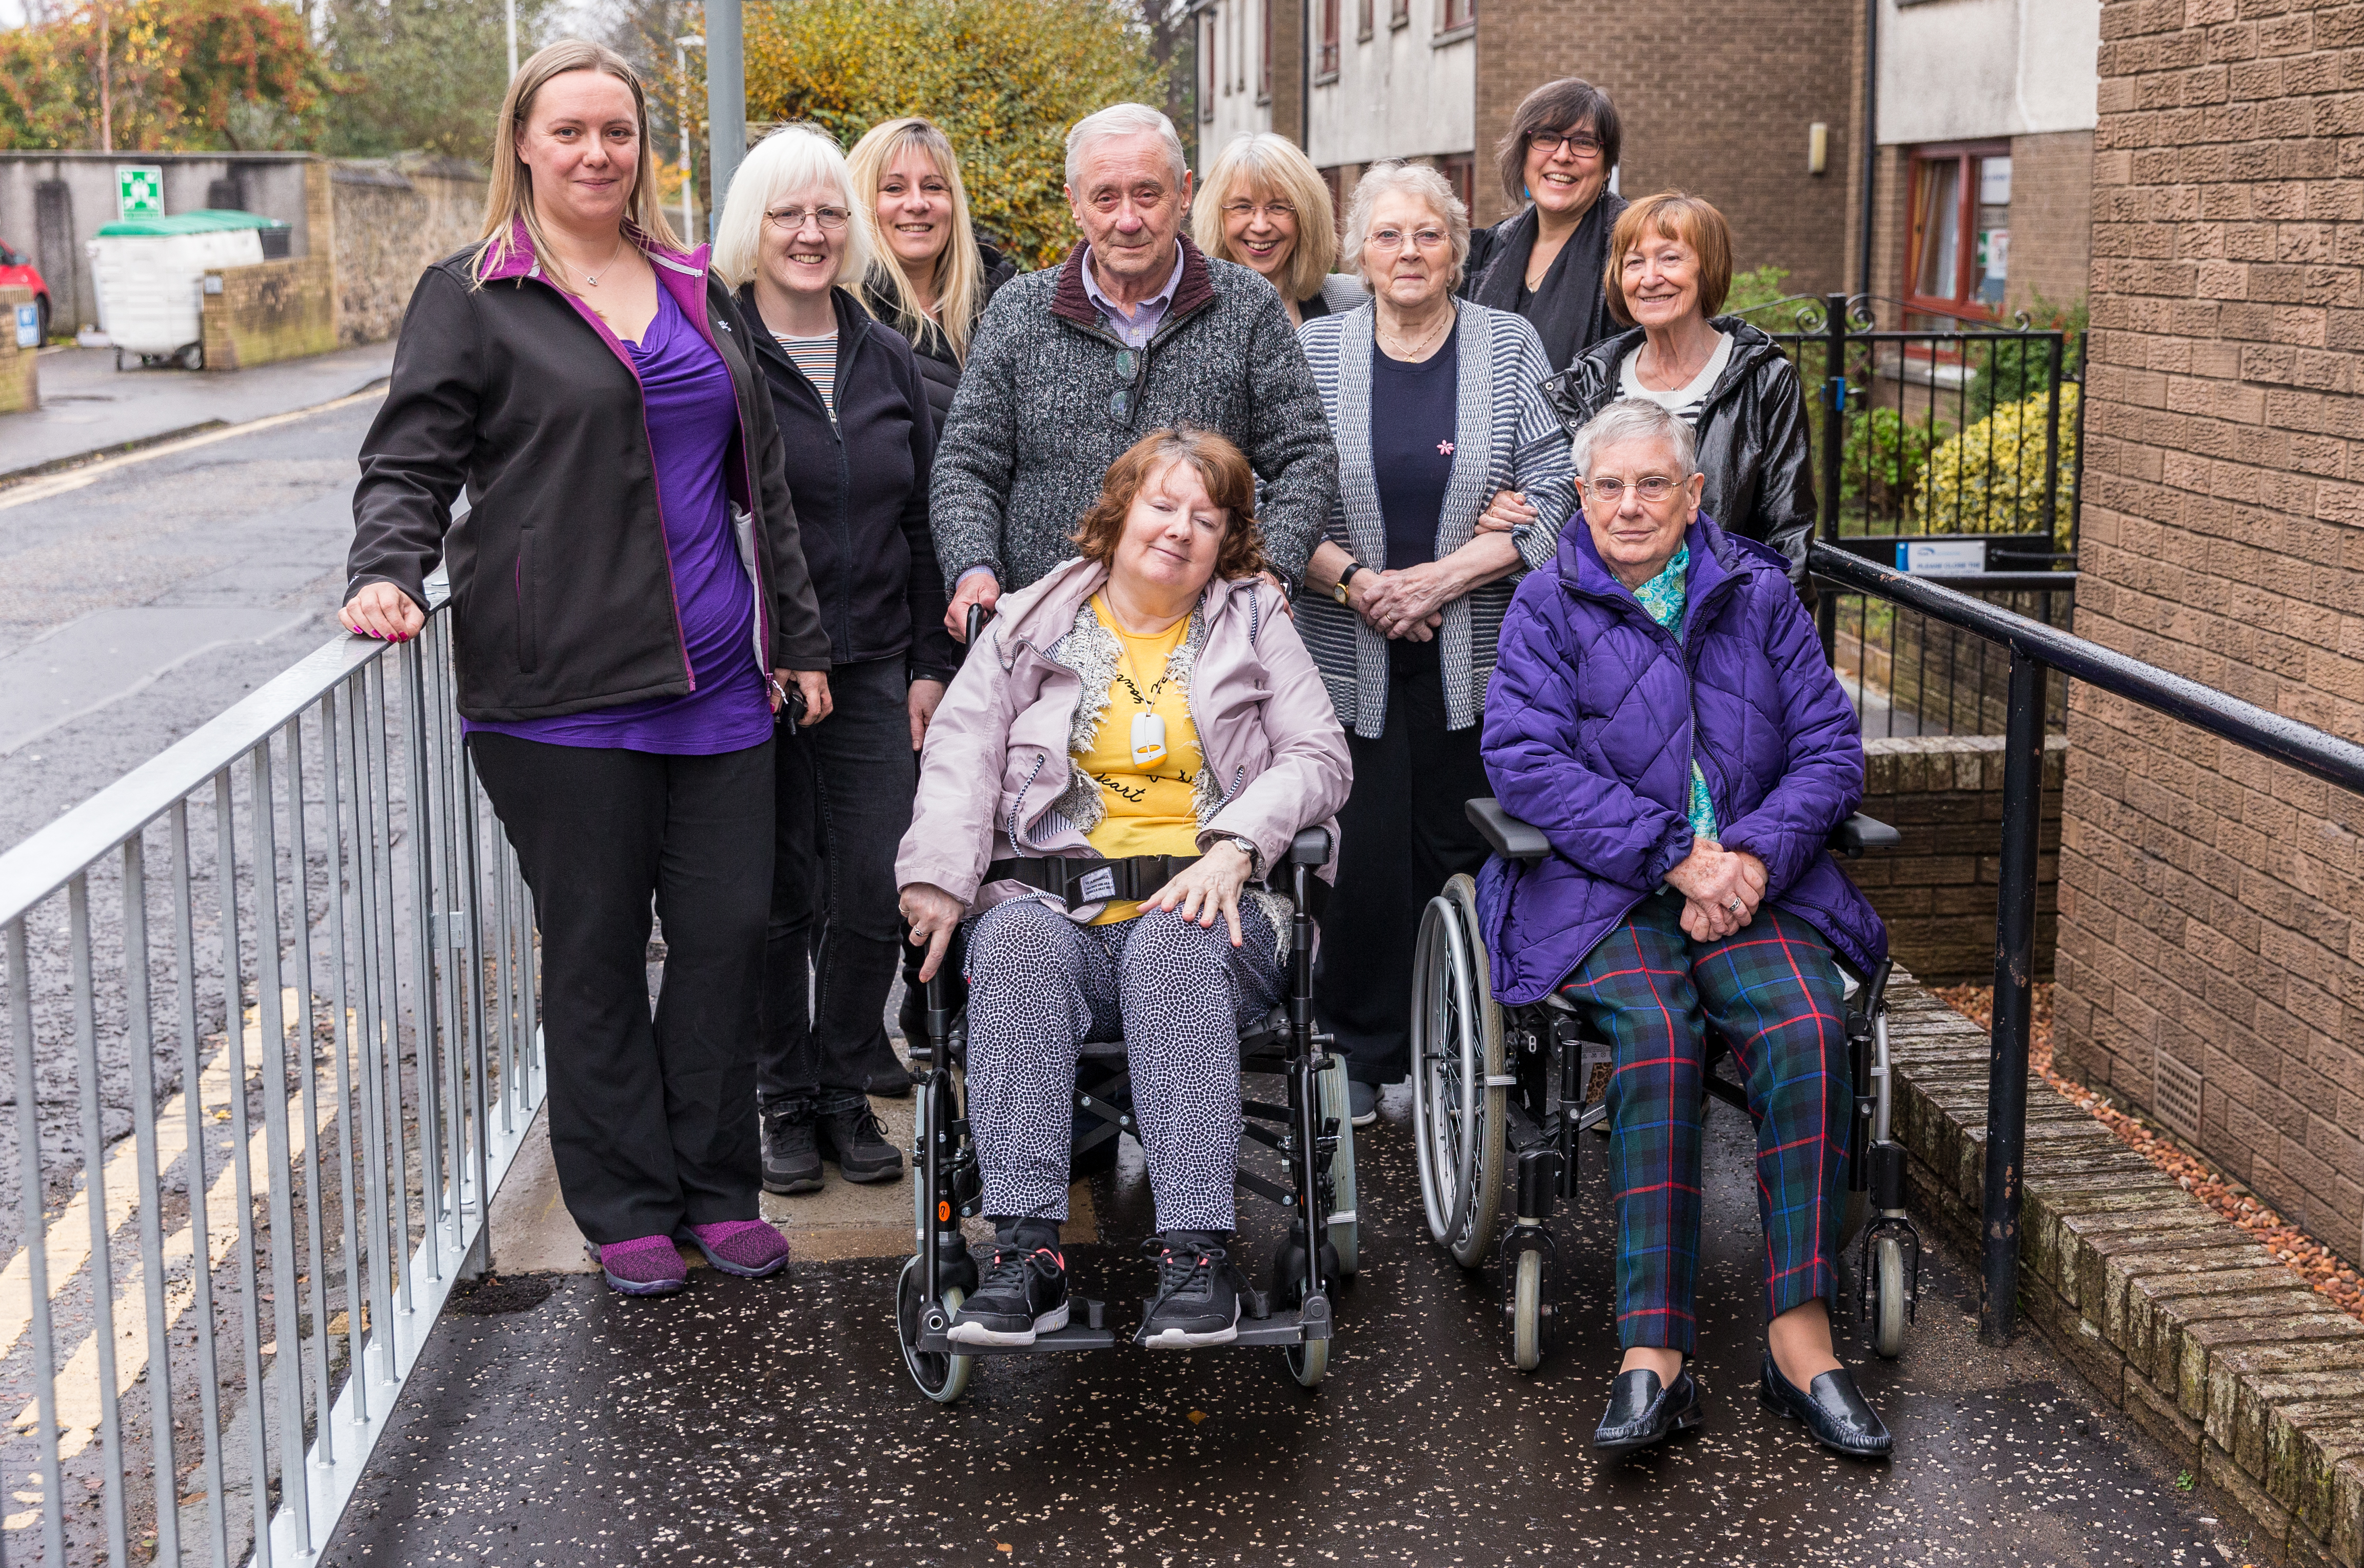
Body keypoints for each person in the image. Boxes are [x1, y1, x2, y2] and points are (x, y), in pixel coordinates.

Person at [342, 39, 827, 1297]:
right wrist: (386, 565)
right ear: (523, 143)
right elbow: (409, 459)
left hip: (721, 682)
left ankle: (717, 1188)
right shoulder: (475, 291)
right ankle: (623, 1199)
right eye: (571, 132)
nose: (597, 153)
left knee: (726, 936)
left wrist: (798, 637)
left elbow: (758, 475)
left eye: (617, 132)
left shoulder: (690, 282)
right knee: (599, 947)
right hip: (559, 691)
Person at [1479, 397, 1892, 1460]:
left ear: (1695, 493)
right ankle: (1652, 1354)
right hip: (1607, 888)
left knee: (1806, 1029)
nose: (1630, 505)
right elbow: (1526, 761)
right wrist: (1674, 853)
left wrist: (1748, 856)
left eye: (1653, 483)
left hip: (1756, 886)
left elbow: (1830, 754)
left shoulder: (1759, 595)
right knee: (1656, 1044)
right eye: (1608, 486)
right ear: (1581, 495)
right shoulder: (1544, 602)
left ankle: (1800, 1343)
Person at [897, 427, 1350, 1349]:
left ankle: (1194, 1258)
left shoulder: (1254, 622)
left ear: (1228, 540)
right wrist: (939, 881)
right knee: (1015, 941)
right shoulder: (1028, 619)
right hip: (1053, 905)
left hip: (1212, 911)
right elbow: (958, 754)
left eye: (1206, 517)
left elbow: (1318, 756)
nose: (1180, 530)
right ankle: (1025, 1257)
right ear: (1118, 513)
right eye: (1161, 505)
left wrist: (1231, 846)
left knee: (1172, 941)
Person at [1294, 161, 1574, 1127]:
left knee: (1465, 845)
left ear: (1457, 249)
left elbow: (1555, 483)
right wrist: (1362, 583)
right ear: (1357, 253)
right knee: (1362, 855)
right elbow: (1281, 494)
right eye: (1386, 235)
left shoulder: (1507, 344)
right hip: (1346, 645)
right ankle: (1361, 1050)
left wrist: (1443, 578)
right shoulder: (1317, 348)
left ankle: (1462, 1044)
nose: (1407, 253)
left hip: (1479, 649)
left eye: (1426, 235)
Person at [714, 124, 957, 1195]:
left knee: (871, 879)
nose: (810, 234)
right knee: (773, 890)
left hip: (870, 667)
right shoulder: (716, 348)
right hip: (750, 665)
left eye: (826, 214)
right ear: (750, 229)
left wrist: (921, 663)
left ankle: (843, 1080)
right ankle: (783, 1097)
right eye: (786, 214)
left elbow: (916, 520)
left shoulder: (885, 354)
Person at [930, 102, 1338, 638]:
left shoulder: (1248, 306)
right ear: (1075, 204)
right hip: (1042, 636)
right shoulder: (1019, 310)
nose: (1127, 219)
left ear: (1185, 192)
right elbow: (965, 465)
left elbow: (1307, 456)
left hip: (1203, 643)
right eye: (1105, 197)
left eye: (1147, 193)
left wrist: (1272, 571)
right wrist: (974, 568)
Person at [1545, 191, 1816, 594]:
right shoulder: (1589, 384)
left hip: (1725, 618)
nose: (1650, 278)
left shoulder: (1763, 380)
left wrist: (1775, 636)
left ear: (1708, 269)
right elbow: (1559, 501)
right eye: (1634, 262)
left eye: (1670, 258)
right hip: (1605, 622)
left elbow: (1788, 531)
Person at [847, 116, 1020, 436]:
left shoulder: (1007, 303)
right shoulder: (844, 323)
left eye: (933, 187)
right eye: (894, 188)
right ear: (860, 203)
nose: (917, 203)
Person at [1462, 77, 1630, 373]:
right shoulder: (1485, 253)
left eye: (1584, 143)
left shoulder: (1635, 251)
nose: (1563, 156)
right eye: (1547, 138)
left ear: (1607, 167)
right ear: (1523, 153)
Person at [1189, 132, 1365, 329]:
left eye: (1278, 207)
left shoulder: (1354, 302)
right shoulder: (1189, 314)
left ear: (1307, 217)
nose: (1261, 226)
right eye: (1243, 207)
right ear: (1215, 217)